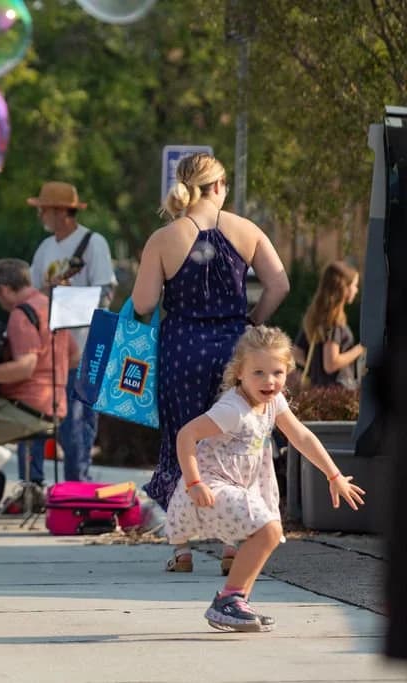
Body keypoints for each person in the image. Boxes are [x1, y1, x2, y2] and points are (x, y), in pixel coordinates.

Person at [131, 152, 289, 573]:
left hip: (181, 350)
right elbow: (279, 284)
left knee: (183, 439)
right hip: (236, 352)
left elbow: (143, 303)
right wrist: (252, 322)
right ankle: (233, 545)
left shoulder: (164, 238)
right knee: (233, 442)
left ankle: (181, 550)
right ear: (219, 186)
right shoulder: (246, 230)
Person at [167, 326, 364, 632]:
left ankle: (237, 601)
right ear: (239, 373)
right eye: (258, 372)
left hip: (236, 485)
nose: (269, 381)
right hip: (211, 485)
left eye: (277, 372)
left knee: (268, 534)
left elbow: (301, 436)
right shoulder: (232, 409)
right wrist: (194, 483)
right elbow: (186, 435)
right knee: (269, 530)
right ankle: (228, 601)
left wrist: (334, 474)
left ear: (287, 371)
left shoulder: (274, 401)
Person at [0, 259, 80, 523]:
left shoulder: (22, 315)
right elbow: (75, 356)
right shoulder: (50, 307)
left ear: (4, 289)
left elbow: (25, 367)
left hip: (26, 408)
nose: (0, 302)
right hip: (55, 406)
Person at [27, 181, 116, 483]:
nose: (40, 215)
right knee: (43, 418)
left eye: (43, 210)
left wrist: (67, 298)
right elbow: (34, 292)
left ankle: (77, 487)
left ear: (60, 212)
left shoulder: (93, 243)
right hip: (50, 350)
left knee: (78, 421)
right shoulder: (45, 248)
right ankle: (36, 485)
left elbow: (106, 294)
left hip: (85, 348)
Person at [292, 261, 365, 389]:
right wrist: (360, 349)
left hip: (318, 389)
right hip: (337, 390)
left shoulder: (315, 318)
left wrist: (316, 370)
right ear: (343, 287)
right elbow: (331, 364)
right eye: (354, 285)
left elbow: (296, 352)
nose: (356, 290)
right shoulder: (334, 322)